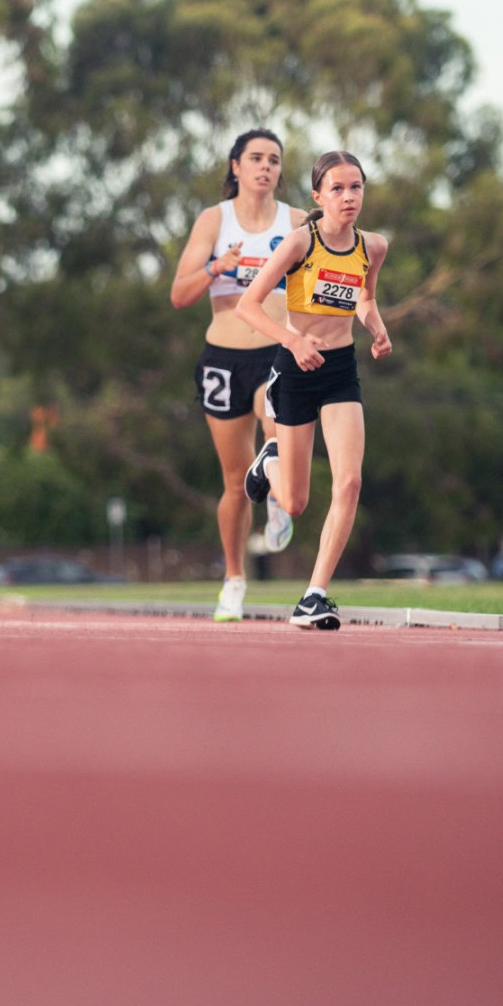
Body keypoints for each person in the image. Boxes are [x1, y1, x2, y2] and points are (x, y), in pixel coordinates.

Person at [236, 150, 392, 630]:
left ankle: (314, 595)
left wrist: (377, 327)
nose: (349, 197)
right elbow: (248, 305)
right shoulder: (299, 243)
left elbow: (364, 296)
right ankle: (271, 460)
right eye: (339, 188)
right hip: (296, 368)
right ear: (318, 196)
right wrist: (292, 339)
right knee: (298, 502)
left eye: (357, 187)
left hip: (341, 369)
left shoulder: (374, 246)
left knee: (350, 481)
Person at [171, 128, 307, 622]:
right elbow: (179, 295)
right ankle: (234, 579)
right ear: (236, 166)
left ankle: (274, 495)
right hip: (223, 359)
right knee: (232, 483)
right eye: (256, 158)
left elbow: (324, 279)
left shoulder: (296, 221)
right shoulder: (214, 220)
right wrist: (215, 267)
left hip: (277, 350)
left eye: (274, 159)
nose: (265, 167)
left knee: (278, 435)